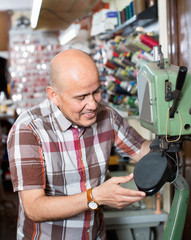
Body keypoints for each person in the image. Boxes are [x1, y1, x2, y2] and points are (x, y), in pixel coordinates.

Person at [7, 49, 151, 240]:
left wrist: (172, 135)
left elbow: (143, 152)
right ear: (54, 95)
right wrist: (95, 196)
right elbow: (34, 208)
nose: (92, 104)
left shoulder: (107, 116)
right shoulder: (28, 130)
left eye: (96, 91)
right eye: (81, 97)